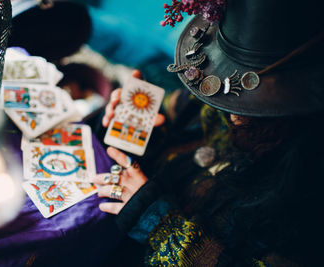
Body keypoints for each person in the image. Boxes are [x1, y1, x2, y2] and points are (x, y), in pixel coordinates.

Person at [90, 0, 324, 266]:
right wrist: (139, 129)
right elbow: (177, 114)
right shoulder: (221, 91)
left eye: (256, 104)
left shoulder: (307, 199)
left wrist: (160, 224)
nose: (231, 115)